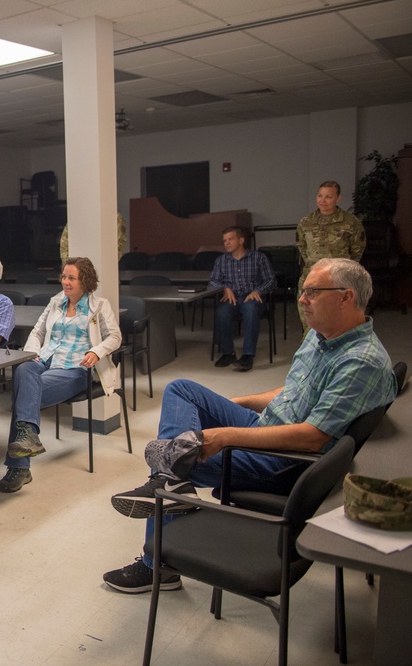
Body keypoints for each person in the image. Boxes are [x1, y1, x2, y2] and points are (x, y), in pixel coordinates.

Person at [102, 258, 396, 594]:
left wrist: (225, 435)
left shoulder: (359, 361)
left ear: (346, 298)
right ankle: (171, 479)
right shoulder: (324, 336)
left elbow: (312, 438)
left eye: (312, 293)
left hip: (283, 461)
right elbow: (294, 391)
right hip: (268, 426)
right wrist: (237, 404)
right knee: (182, 389)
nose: (301, 300)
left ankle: (159, 556)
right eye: (303, 292)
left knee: (173, 463)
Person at [0, 257, 122, 493]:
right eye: (63, 276)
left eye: (71, 278)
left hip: (75, 369)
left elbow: (114, 337)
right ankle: (25, 441)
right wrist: (32, 353)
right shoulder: (56, 302)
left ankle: (19, 468)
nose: (65, 282)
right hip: (45, 361)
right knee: (23, 368)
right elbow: (37, 331)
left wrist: (96, 352)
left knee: (24, 394)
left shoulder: (99, 306)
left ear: (85, 281)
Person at [296, 180, 365, 332]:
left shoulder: (351, 222)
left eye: (328, 196)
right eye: (320, 196)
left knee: (337, 323)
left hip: (339, 281)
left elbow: (357, 250)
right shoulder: (306, 222)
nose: (323, 200)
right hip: (311, 279)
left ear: (338, 198)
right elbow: (302, 247)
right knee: (310, 325)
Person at [209, 226, 276, 372]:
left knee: (250, 309)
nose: (226, 243)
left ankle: (248, 355)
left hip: (252, 297)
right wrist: (225, 288)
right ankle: (228, 353)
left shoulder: (258, 257)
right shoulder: (221, 260)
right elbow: (213, 281)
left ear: (241, 240)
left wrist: (257, 291)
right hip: (232, 298)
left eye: (230, 239)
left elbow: (271, 280)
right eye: (224, 240)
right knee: (222, 313)